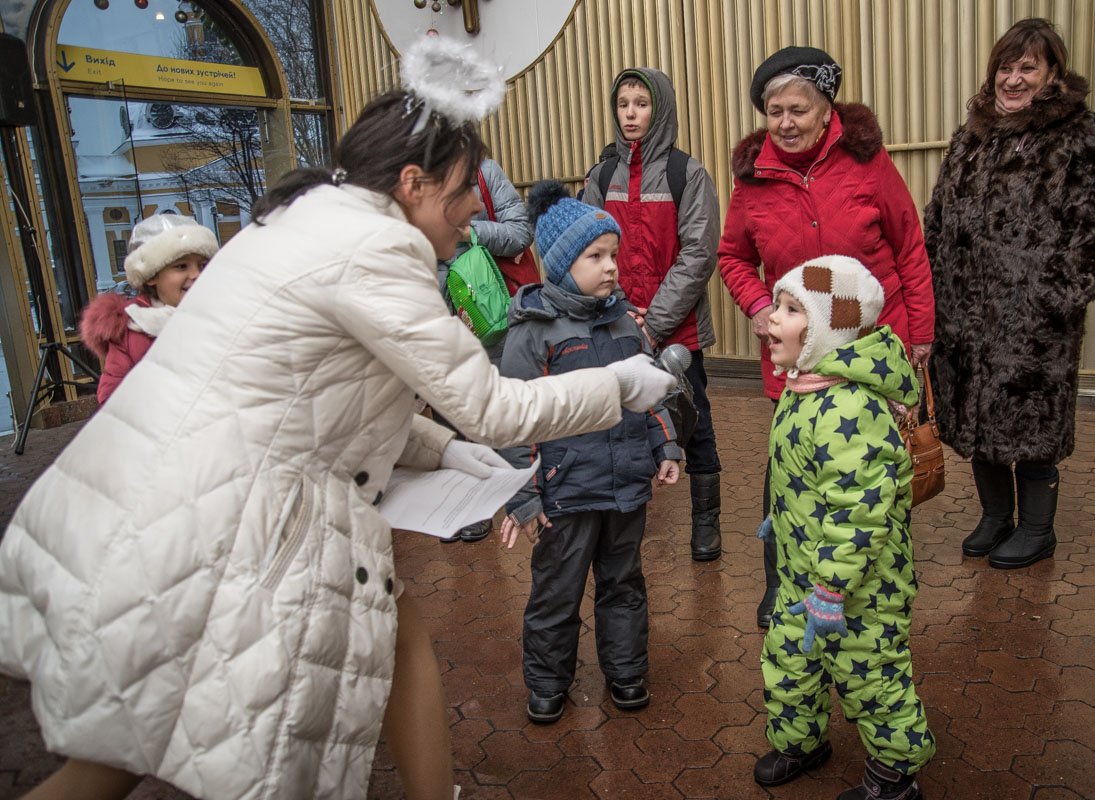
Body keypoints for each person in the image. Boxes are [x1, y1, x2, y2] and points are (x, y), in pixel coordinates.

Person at [0, 37, 676, 800]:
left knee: (143, 732)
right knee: (175, 743)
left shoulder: (304, 221)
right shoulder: (374, 246)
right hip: (231, 521)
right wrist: (617, 385)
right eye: (462, 199)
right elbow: (491, 405)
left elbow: (328, 394)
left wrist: (443, 454)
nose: (470, 220)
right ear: (413, 183)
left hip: (170, 500)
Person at [718, 46, 935, 628]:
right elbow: (733, 256)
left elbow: (909, 247)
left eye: (797, 109)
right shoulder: (754, 179)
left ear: (825, 110)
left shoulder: (868, 163)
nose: (785, 123)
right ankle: (782, 583)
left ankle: (876, 586)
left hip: (870, 349)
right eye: (773, 110)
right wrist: (760, 306)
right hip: (796, 355)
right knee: (790, 470)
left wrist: (920, 335)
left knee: (874, 470)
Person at [924, 18, 1095, 569]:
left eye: (1026, 68)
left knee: (1030, 422)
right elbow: (938, 215)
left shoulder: (1081, 135)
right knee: (975, 416)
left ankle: (1038, 529)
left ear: (1052, 74)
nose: (1013, 80)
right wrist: (935, 279)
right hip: (964, 313)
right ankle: (995, 517)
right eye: (1005, 69)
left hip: (1034, 320)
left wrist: (1057, 294)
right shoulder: (971, 134)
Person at [498, 181, 682, 725]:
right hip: (566, 494)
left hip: (626, 487)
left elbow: (646, 390)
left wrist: (664, 442)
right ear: (559, 265)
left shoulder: (625, 323)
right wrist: (526, 496)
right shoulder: (535, 334)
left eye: (613, 256)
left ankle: (625, 673)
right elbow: (514, 419)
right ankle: (549, 682)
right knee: (557, 592)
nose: (610, 268)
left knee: (623, 586)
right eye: (594, 256)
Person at [753, 255, 935, 798]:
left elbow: (861, 506)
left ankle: (897, 773)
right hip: (801, 570)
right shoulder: (804, 386)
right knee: (788, 658)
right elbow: (807, 474)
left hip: (859, 587)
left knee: (870, 674)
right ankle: (803, 740)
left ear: (829, 330)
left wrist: (832, 587)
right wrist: (780, 515)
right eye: (777, 306)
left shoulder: (850, 405)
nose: (771, 320)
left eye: (789, 310)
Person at [580, 67, 724, 563]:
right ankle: (624, 523)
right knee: (620, 425)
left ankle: (706, 522)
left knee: (695, 423)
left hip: (676, 329)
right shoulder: (600, 177)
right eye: (623, 104)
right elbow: (589, 251)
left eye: (641, 103)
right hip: (618, 324)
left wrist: (654, 321)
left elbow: (698, 255)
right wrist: (621, 311)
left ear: (659, 108)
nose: (631, 114)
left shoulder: (688, 173)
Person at [436, 156, 535, 544]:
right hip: (434, 313)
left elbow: (519, 233)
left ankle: (495, 500)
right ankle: (461, 503)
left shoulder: (483, 171)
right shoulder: (407, 178)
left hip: (486, 314)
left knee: (490, 408)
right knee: (448, 413)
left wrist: (468, 232)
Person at [80, 213, 216, 404]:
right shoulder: (133, 330)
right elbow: (113, 397)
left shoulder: (221, 317)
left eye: (202, 265)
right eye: (181, 266)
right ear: (151, 276)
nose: (196, 274)